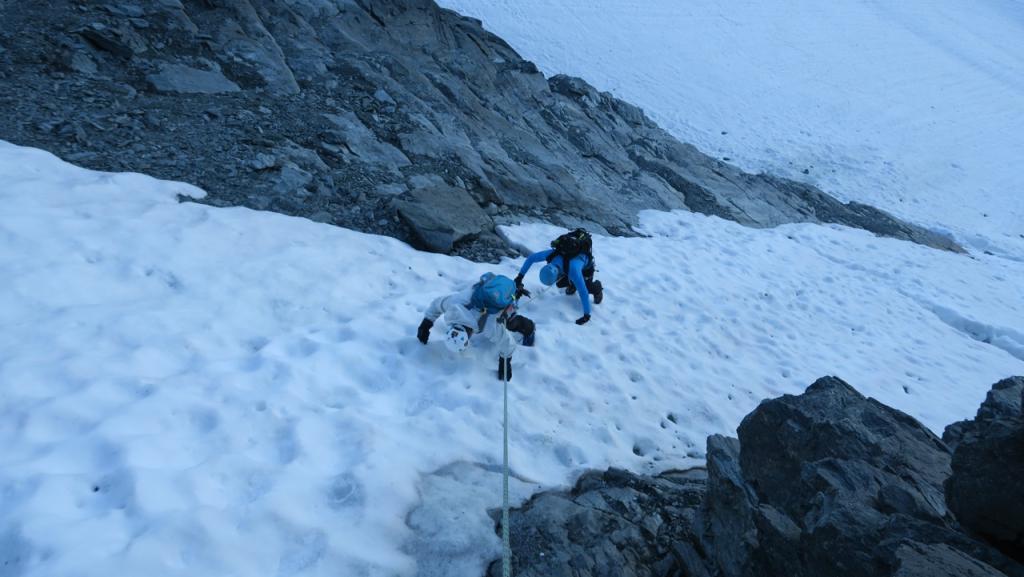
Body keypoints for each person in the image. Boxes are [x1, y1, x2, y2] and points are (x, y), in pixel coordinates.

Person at [416, 273, 535, 381]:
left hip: (500, 297)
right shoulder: (454, 304)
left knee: (509, 322)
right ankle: (513, 292)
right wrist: (426, 323)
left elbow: (508, 344)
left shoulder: (489, 325)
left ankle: (530, 328)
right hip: (490, 283)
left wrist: (505, 362)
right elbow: (437, 304)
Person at [514, 228, 603, 325]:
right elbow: (531, 258)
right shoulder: (552, 255)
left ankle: (597, 289)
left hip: (586, 268)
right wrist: (520, 276)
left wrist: (587, 315)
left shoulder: (573, 270)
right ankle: (573, 285)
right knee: (561, 284)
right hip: (568, 266)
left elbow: (583, 292)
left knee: (586, 286)